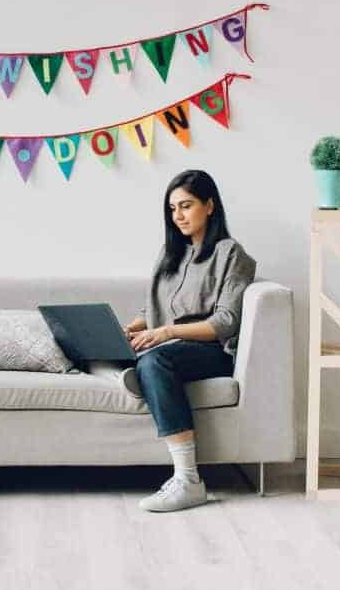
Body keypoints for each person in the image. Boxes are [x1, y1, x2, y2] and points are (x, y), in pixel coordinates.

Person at [121, 169, 256, 512]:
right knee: (124, 353)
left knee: (154, 360)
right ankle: (132, 368)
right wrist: (134, 328)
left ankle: (188, 480)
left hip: (210, 351)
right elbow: (152, 311)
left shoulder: (231, 254)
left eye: (186, 206)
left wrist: (165, 332)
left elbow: (225, 322)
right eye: (172, 208)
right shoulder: (171, 255)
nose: (178, 216)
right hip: (167, 346)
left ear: (210, 206)